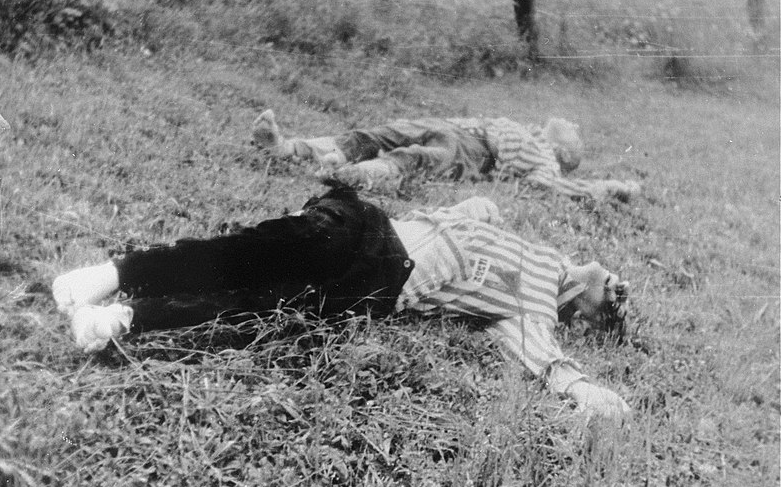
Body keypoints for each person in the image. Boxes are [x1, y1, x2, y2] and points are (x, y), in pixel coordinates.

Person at [52, 186, 632, 422]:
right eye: (615, 279)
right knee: (257, 248)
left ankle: (121, 318)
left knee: (259, 304)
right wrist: (476, 209)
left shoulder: (534, 307)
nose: (610, 278)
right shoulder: (538, 249)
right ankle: (113, 275)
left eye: (611, 294)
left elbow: (540, 354)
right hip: (370, 223)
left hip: (384, 277)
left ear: (587, 309)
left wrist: (583, 390)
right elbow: (478, 206)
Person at [250, 110, 640, 202]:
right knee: (386, 131)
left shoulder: (546, 160)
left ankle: (354, 175)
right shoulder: (531, 130)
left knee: (420, 157)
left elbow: (560, 186)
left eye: (574, 130)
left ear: (564, 151)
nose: (571, 122)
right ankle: (290, 148)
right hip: (456, 126)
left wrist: (615, 187)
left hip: (476, 151)